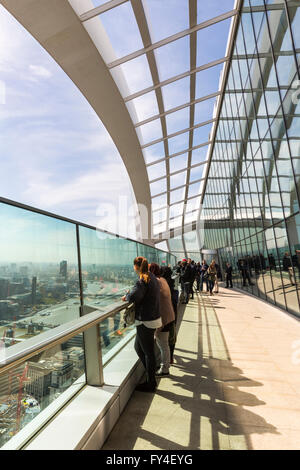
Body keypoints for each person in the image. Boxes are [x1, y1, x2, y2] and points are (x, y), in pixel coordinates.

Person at [122, 256, 161, 392]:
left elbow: (133, 296)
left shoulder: (142, 280)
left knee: (148, 352)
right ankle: (151, 373)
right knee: (138, 348)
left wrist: (127, 296)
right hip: (153, 317)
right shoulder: (152, 278)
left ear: (136, 266)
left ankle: (151, 383)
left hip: (145, 320)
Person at [150, 263, 175, 376]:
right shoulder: (163, 280)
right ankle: (164, 366)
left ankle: (164, 369)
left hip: (163, 319)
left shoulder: (156, 282)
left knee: (163, 345)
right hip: (169, 316)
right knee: (164, 345)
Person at [161, 266, 178, 365]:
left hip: (165, 314)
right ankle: (171, 356)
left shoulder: (162, 284)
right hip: (173, 313)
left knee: (164, 339)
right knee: (172, 336)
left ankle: (166, 360)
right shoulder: (171, 283)